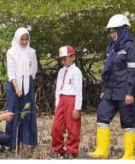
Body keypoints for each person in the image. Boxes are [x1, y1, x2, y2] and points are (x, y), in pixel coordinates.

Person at [88, 14, 135, 159]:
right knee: (102, 117)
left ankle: (129, 154)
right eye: (110, 31)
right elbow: (107, 71)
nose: (112, 34)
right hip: (110, 92)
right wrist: (104, 89)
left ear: (123, 30)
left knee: (128, 122)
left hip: (125, 92)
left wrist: (130, 93)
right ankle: (102, 150)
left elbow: (133, 72)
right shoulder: (111, 47)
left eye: (114, 31)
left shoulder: (130, 47)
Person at [5, 27, 38, 149]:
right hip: (14, 84)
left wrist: (27, 81)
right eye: (22, 39)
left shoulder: (32, 52)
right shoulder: (11, 52)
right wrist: (18, 87)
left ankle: (28, 141)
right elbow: (11, 72)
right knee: (13, 112)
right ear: (17, 39)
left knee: (27, 111)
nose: (24, 42)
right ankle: (11, 143)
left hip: (27, 83)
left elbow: (34, 69)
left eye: (26, 39)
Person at [50, 45, 83, 159]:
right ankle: (58, 150)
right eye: (61, 59)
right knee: (56, 127)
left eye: (65, 58)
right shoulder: (61, 71)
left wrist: (77, 107)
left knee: (73, 127)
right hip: (62, 100)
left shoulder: (76, 71)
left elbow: (79, 91)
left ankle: (72, 151)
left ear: (73, 57)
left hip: (72, 100)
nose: (63, 61)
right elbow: (58, 89)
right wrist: (57, 104)